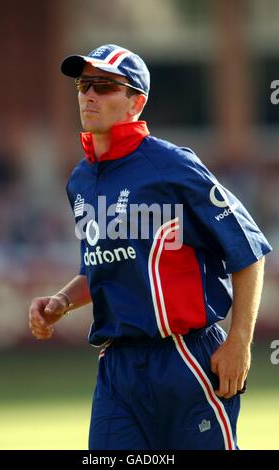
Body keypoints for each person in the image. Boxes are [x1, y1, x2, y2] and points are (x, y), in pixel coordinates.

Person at [29, 44, 272, 450]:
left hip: (185, 358)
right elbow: (105, 268)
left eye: (105, 86)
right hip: (117, 369)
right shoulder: (81, 180)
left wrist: (239, 343)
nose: (89, 94)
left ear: (135, 103)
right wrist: (60, 302)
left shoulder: (173, 165)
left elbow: (248, 250)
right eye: (84, 84)